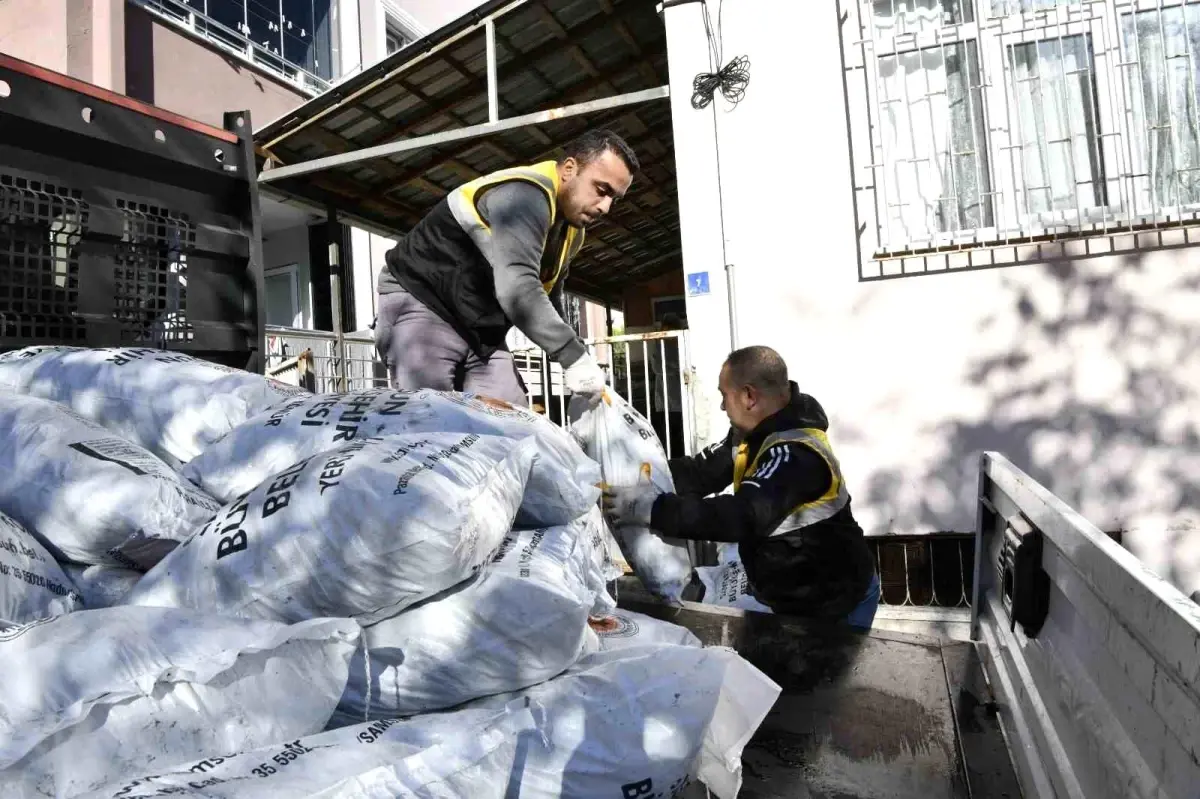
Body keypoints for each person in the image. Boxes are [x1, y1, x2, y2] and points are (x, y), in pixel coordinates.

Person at [603, 345, 881, 628]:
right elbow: (701, 472)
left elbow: (742, 515)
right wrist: (632, 475)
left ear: (749, 396)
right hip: (792, 597)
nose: (722, 406)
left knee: (827, 671)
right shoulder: (750, 435)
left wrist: (653, 508)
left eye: (724, 396)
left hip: (836, 603)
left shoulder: (795, 455)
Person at [373, 129, 638, 408]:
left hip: (479, 328)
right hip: (424, 306)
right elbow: (518, 287)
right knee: (431, 422)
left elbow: (549, 294)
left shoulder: (571, 232)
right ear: (569, 169)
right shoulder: (523, 196)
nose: (606, 207)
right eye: (602, 190)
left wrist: (577, 358)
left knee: (514, 422)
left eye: (615, 199)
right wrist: (571, 355)